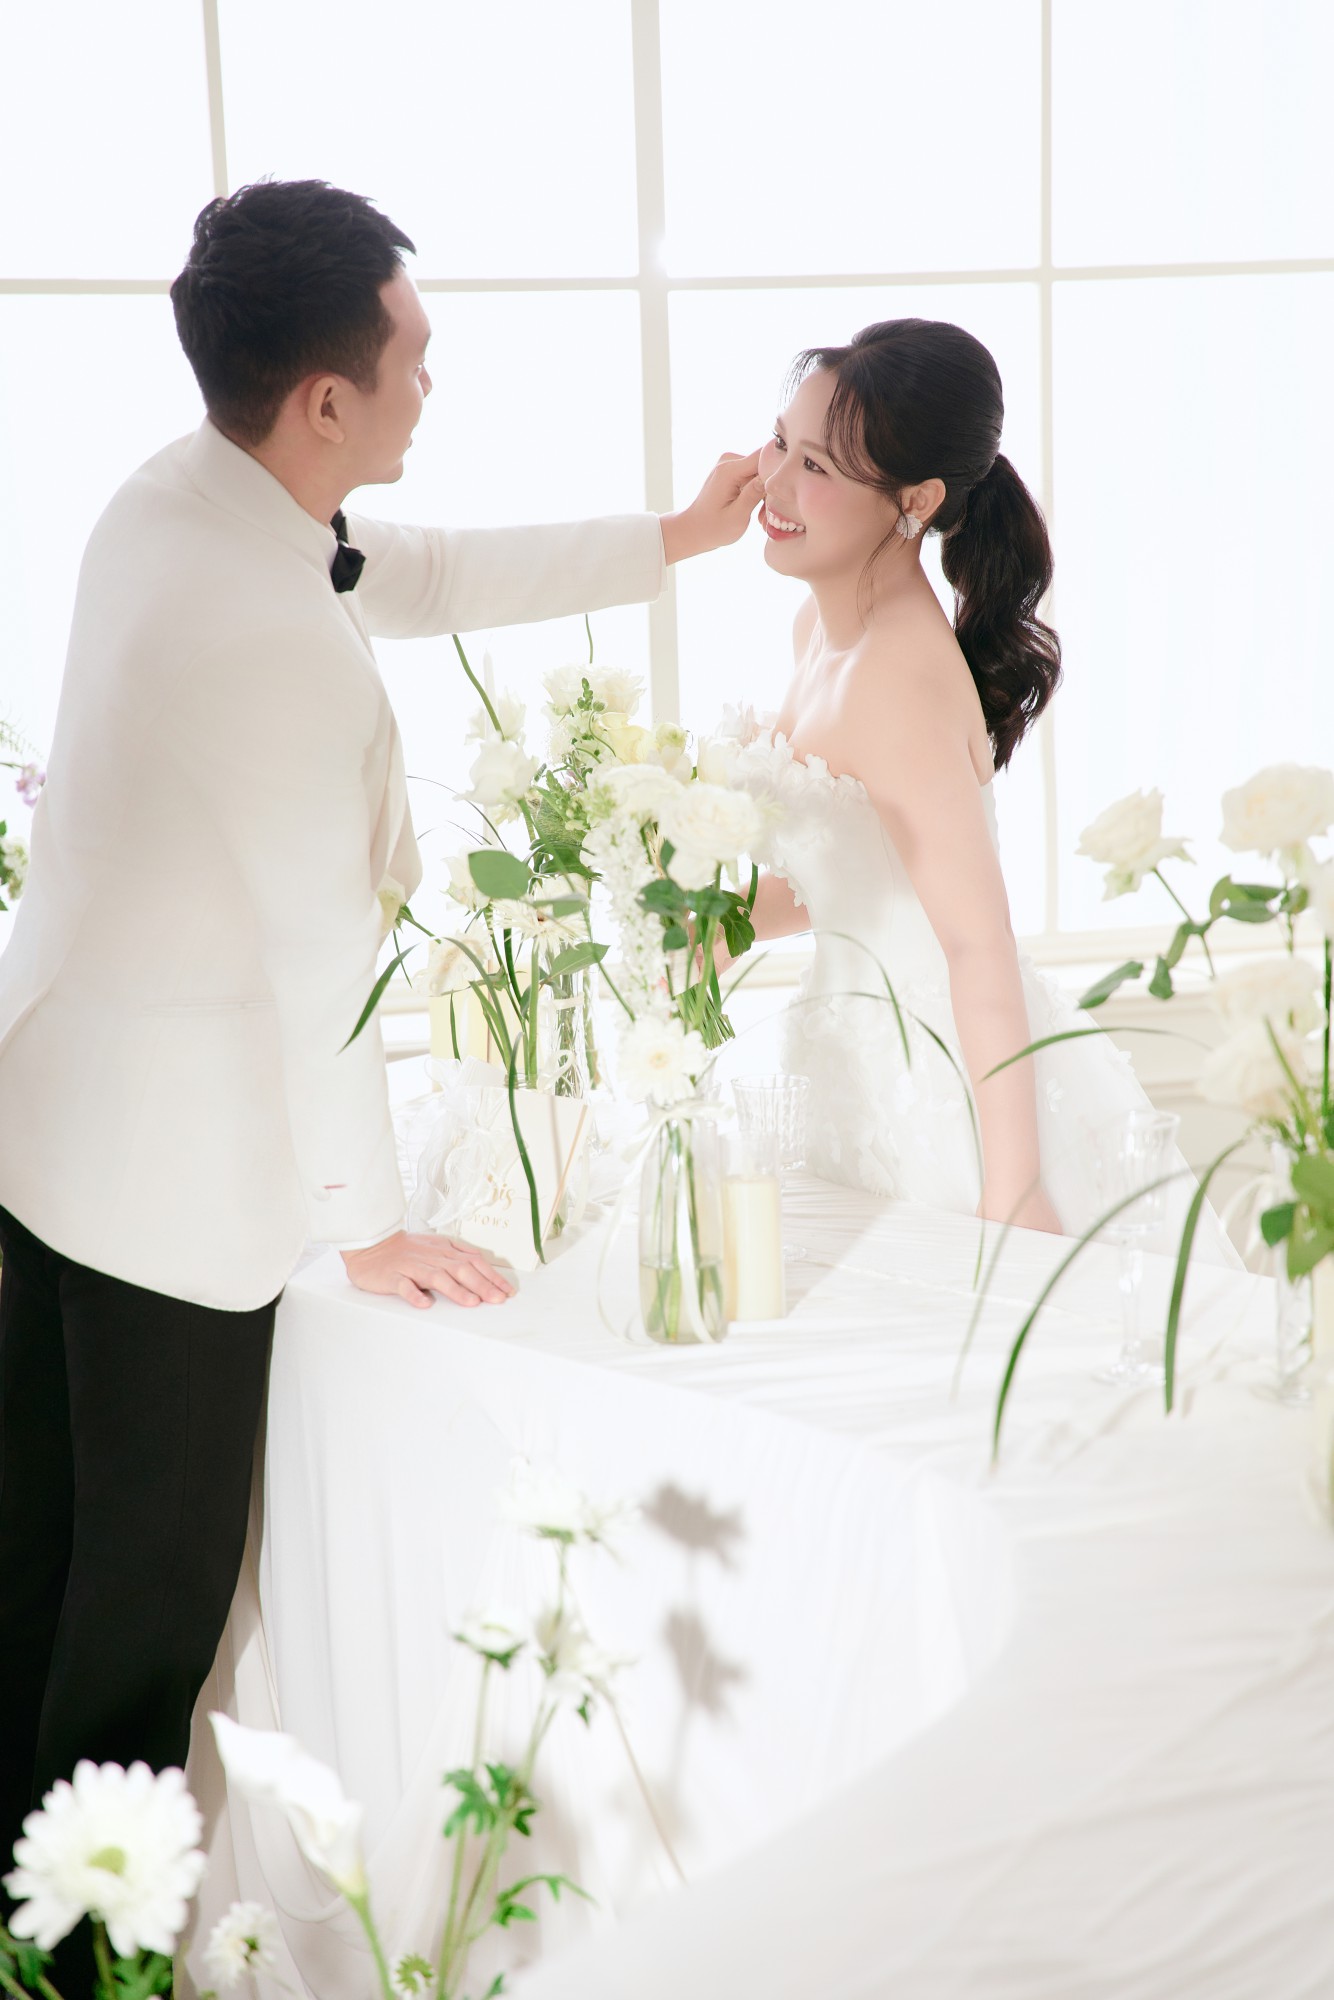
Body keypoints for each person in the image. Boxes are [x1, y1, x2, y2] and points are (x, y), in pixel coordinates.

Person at [0, 177, 762, 1968]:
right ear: (326, 397)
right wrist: (368, 1224)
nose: (434, 375)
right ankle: (84, 1966)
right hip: (161, 1198)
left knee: (27, 1575)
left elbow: (409, 571)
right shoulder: (257, 632)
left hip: (42, 1124)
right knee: (135, 1631)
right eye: (414, 352)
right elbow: (314, 954)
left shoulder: (182, 493)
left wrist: (669, 538)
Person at [724, 318, 1233, 1251]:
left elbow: (976, 944)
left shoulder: (899, 676)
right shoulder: (817, 632)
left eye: (816, 467)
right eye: (779, 443)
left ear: (915, 500)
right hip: (845, 1063)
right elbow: (859, 870)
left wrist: (1016, 1189)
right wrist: (699, 932)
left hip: (943, 1084)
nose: (774, 483)